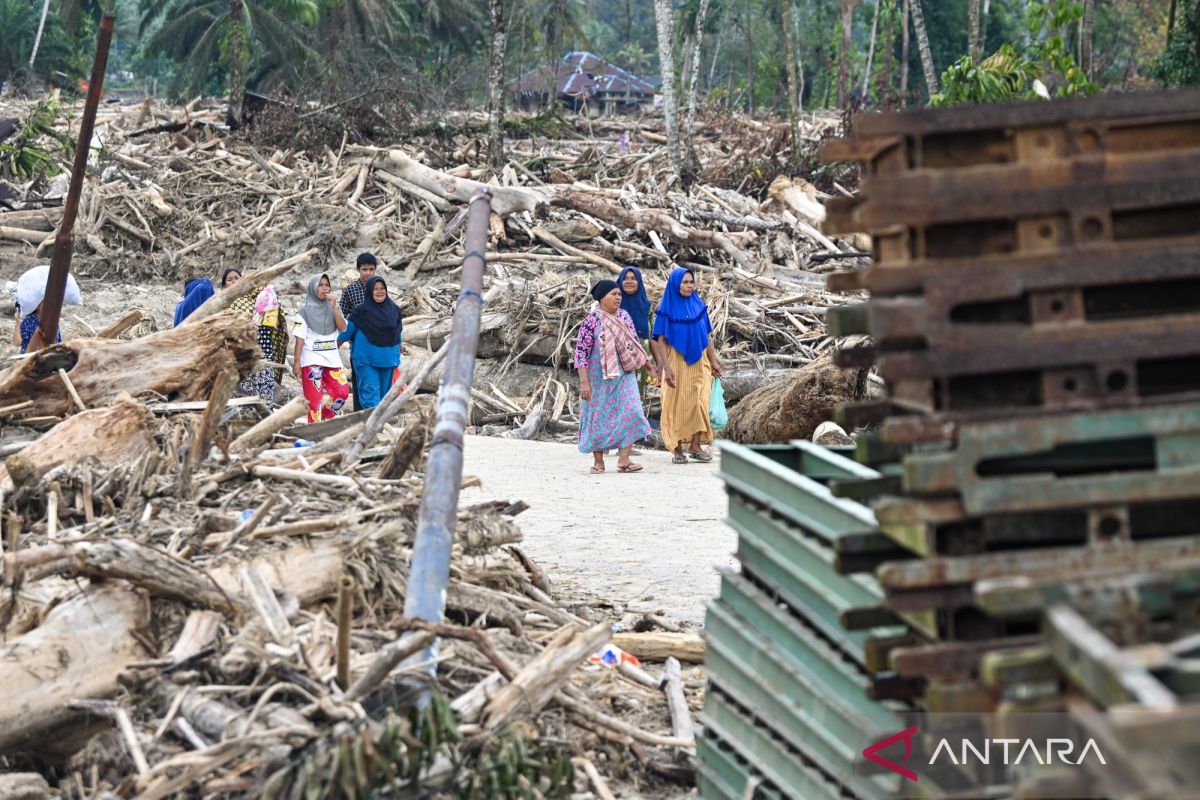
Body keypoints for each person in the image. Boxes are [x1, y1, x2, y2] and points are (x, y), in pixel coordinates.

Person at [574, 279, 652, 474]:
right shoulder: (591, 321)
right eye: (613, 294)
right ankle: (598, 462)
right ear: (602, 298)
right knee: (597, 416)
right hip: (598, 377)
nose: (618, 297)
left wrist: (648, 365)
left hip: (624, 373)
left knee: (632, 410)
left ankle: (624, 459)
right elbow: (581, 354)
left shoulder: (624, 316)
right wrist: (585, 384)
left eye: (619, 294)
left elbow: (634, 342)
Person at [651, 267, 722, 464]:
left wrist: (713, 361)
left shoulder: (698, 305)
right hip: (675, 362)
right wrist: (666, 368)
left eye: (691, 282)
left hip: (700, 361)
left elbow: (706, 336)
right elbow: (661, 340)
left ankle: (695, 445)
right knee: (675, 404)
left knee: (700, 401)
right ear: (676, 284)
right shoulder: (666, 308)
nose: (689, 286)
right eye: (685, 282)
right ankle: (677, 449)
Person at [338, 275, 402, 410]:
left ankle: (378, 423)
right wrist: (330, 351)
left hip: (388, 360)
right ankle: (371, 423)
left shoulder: (394, 310)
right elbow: (346, 333)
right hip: (365, 360)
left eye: (382, 288)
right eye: (375, 289)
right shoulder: (360, 312)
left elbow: (397, 334)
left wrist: (397, 354)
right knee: (370, 399)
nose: (379, 291)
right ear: (369, 291)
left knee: (384, 399)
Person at [293, 273, 349, 423]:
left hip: (332, 359)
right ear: (313, 288)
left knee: (342, 392)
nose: (325, 288)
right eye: (320, 285)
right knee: (314, 401)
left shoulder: (333, 307)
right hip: (311, 359)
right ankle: (315, 429)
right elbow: (300, 337)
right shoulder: (304, 311)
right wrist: (297, 361)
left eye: (327, 285)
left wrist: (335, 308)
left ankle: (325, 415)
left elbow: (343, 328)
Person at [229, 269, 288, 405]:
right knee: (244, 392)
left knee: (265, 389)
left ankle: (266, 413)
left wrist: (274, 310)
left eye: (261, 281)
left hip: (265, 351)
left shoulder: (270, 298)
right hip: (244, 354)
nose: (257, 285)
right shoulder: (238, 301)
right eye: (254, 281)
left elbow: (279, 326)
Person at [340, 252, 377, 409]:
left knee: (377, 382)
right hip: (358, 346)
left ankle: (377, 415)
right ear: (358, 270)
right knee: (359, 382)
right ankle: (359, 415)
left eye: (371, 269)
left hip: (379, 344)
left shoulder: (380, 288)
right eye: (364, 269)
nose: (368, 273)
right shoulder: (350, 290)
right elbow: (341, 317)